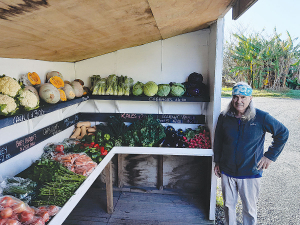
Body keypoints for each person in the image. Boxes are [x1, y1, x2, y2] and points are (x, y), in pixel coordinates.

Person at [213, 82, 289, 225]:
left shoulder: (261, 117)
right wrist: (217, 161)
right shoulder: (224, 117)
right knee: (229, 206)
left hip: (250, 171)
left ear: (251, 98)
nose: (239, 101)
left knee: (249, 209)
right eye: (235, 97)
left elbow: (283, 133)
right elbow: (218, 140)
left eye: (243, 97)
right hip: (227, 170)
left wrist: (270, 156)